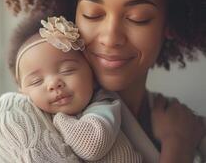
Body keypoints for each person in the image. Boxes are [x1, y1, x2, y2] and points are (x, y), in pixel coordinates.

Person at [0, 0, 206, 162]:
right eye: (92, 15)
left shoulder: (187, 123)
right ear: (73, 18)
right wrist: (178, 149)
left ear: (169, 25)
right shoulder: (16, 115)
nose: (110, 38)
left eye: (138, 17)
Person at [13, 15, 142, 161]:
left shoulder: (103, 105)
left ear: (92, 76)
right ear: (23, 93)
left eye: (67, 70)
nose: (54, 84)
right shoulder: (25, 116)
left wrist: (58, 118)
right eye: (37, 81)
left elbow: (91, 146)